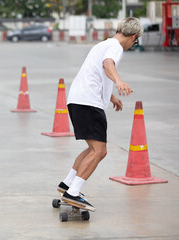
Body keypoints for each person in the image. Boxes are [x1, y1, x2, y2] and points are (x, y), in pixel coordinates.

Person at [58, 17, 143, 211]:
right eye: (135, 42)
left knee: (92, 148)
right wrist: (120, 81)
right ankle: (73, 192)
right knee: (100, 151)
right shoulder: (116, 47)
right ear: (133, 36)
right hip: (88, 103)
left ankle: (67, 184)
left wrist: (111, 96)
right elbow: (107, 65)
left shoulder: (102, 44)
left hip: (77, 100)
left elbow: (95, 73)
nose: (132, 45)